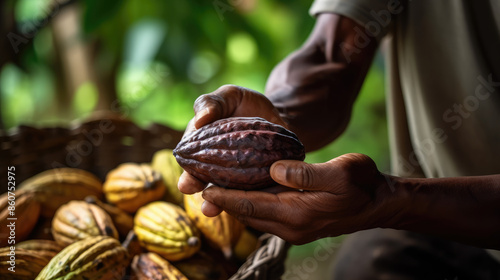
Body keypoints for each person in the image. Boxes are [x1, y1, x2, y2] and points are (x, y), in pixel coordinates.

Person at [179, 0, 500, 279]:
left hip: (479, 216)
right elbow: (332, 50)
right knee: (367, 262)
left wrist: (391, 202)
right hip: (447, 218)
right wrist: (276, 119)